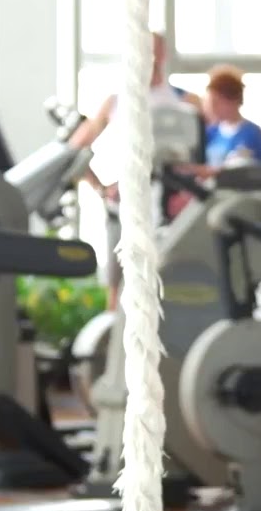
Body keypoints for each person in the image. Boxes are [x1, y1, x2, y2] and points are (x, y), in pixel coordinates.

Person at [67, 32, 204, 310]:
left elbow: (207, 157)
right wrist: (101, 187)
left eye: (152, 50)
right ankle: (114, 332)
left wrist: (190, 190)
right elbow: (75, 148)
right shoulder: (116, 101)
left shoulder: (187, 101)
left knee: (173, 280)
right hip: (126, 203)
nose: (147, 57)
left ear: (162, 55)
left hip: (172, 206)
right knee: (118, 283)